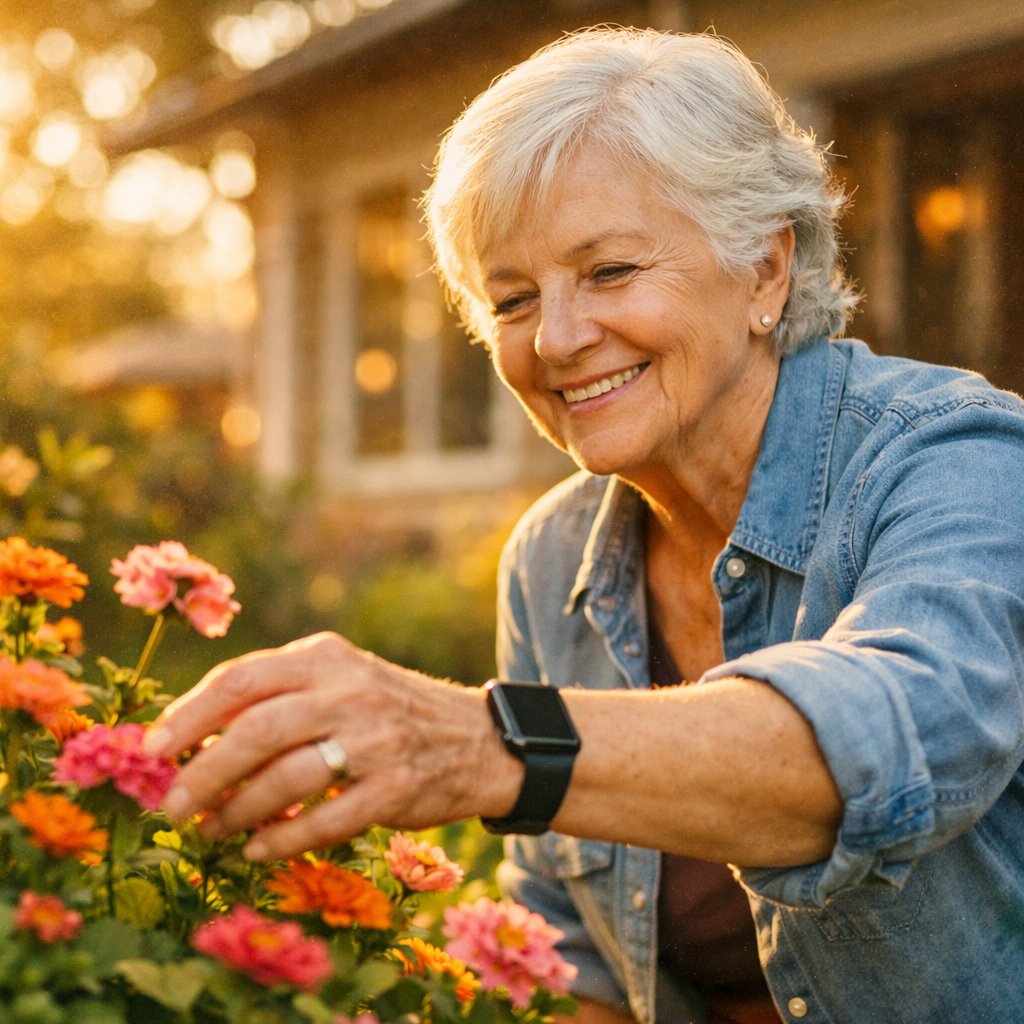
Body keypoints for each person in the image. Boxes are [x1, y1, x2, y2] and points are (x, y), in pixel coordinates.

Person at [142, 28, 1024, 1024]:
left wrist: (476, 743)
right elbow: (574, 963)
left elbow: (879, 744)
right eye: (512, 298)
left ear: (766, 269)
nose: (555, 339)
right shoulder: (553, 558)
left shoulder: (962, 462)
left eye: (607, 271)